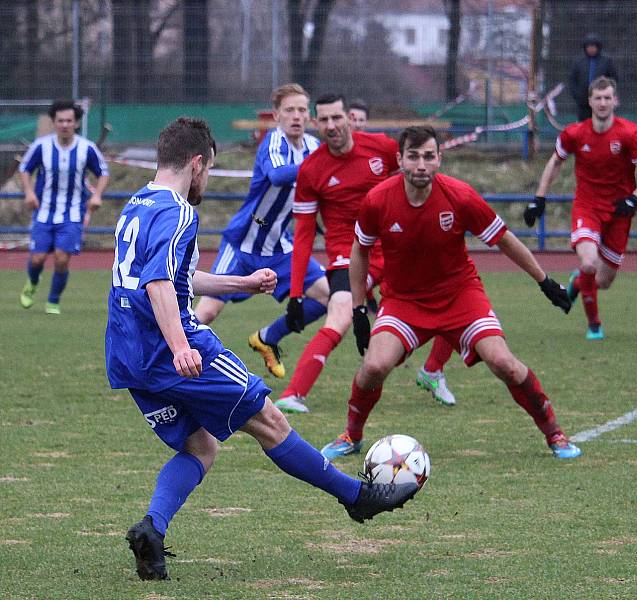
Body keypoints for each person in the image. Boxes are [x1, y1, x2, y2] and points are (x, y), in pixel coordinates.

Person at [105, 117, 418, 581]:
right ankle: (357, 498)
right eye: (208, 170)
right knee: (270, 422)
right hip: (173, 347)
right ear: (196, 163)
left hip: (128, 354)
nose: (206, 179)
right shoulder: (177, 210)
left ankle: (151, 528)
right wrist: (179, 347)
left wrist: (242, 283)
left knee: (201, 446)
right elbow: (157, 285)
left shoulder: (137, 204)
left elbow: (179, 278)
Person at [319, 125, 581, 461]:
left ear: (439, 159)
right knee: (373, 367)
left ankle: (555, 434)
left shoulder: (461, 196)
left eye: (429, 156)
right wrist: (358, 309)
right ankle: (351, 435)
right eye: (413, 157)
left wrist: (544, 281)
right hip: (404, 302)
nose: (421, 165)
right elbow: (360, 250)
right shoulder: (378, 200)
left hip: (461, 296)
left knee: (505, 364)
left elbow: (504, 239)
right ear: (399, 159)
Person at [278, 94, 456, 413]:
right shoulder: (312, 169)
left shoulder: (382, 148)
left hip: (396, 248)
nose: (331, 126)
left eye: (337, 118)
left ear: (350, 118)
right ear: (316, 124)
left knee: (454, 294)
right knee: (341, 310)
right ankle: (293, 394)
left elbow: (419, 175)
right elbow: (303, 234)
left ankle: (432, 370)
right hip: (349, 256)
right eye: (324, 120)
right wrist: (295, 294)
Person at [193, 83, 328, 379]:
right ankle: (171, 365)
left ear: (310, 116)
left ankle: (267, 338)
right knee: (206, 313)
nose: (296, 116)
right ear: (277, 115)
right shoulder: (273, 142)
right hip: (244, 243)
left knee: (327, 296)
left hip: (280, 246)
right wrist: (322, 165)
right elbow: (279, 176)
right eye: (289, 110)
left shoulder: (314, 147)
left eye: (302, 110)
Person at [346, 97, 459, 406]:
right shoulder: (331, 159)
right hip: (369, 252)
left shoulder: (380, 148)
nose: (353, 124)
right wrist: (358, 309)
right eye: (348, 119)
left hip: (404, 247)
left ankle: (433, 369)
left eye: (359, 119)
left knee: (456, 301)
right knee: (347, 323)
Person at [531, 76, 637, 340]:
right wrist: (540, 198)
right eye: (598, 98)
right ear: (590, 101)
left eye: (607, 98)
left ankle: (577, 283)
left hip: (619, 211)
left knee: (603, 281)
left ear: (615, 100)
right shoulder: (575, 134)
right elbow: (555, 162)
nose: (602, 103)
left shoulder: (629, 133)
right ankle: (594, 326)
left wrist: (634, 198)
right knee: (589, 262)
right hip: (587, 207)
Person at [18, 99, 109, 314]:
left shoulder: (87, 148)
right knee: (38, 258)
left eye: (69, 120)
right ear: (53, 122)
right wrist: (29, 193)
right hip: (44, 212)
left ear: (76, 123)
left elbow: (103, 173)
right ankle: (32, 282)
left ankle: (53, 301)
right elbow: (24, 168)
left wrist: (96, 196)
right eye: (60, 121)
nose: (65, 125)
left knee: (61, 258)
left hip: (73, 214)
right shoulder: (41, 146)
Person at [569, 33, 618, 122]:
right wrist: (578, 96)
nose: (591, 49)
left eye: (593, 46)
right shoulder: (578, 62)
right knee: (584, 126)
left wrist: (607, 95)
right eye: (588, 46)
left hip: (601, 101)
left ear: (598, 47)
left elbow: (613, 80)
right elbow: (572, 81)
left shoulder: (606, 61)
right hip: (583, 102)